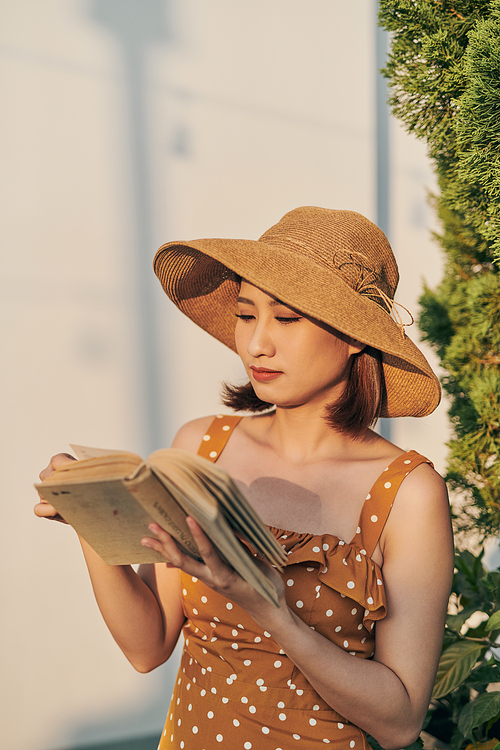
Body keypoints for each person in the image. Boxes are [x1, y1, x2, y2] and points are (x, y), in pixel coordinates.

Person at [36, 206, 454, 750]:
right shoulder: (200, 447)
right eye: (245, 314)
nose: (256, 344)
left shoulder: (408, 494)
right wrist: (91, 515)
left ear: (354, 336)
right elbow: (147, 646)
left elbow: (399, 722)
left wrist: (271, 610)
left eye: (286, 319)